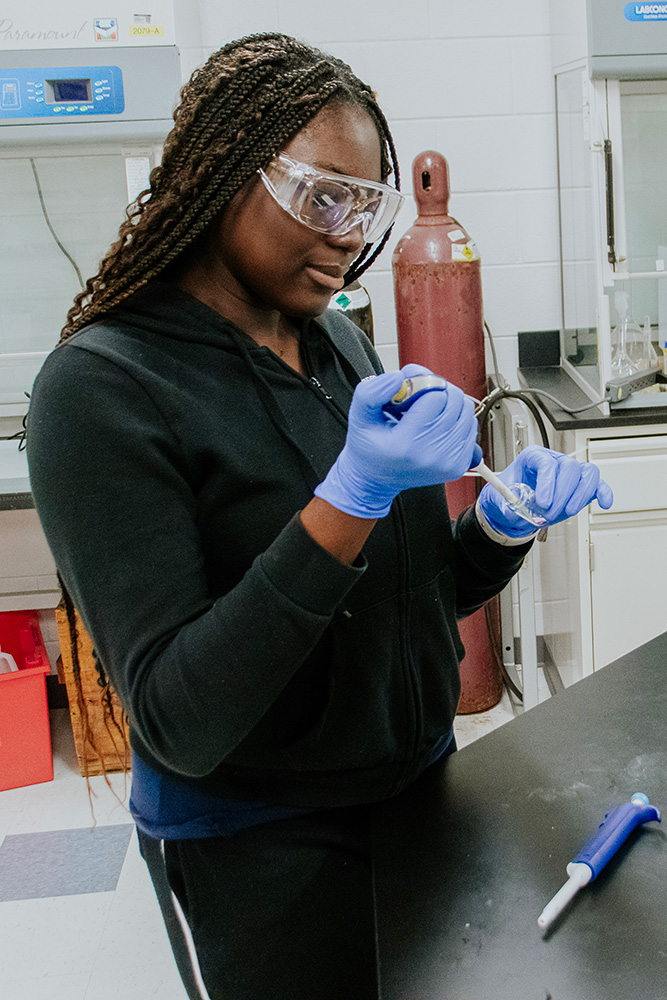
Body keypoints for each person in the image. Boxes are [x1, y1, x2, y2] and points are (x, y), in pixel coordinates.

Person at [26, 33, 613, 1000]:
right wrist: (347, 499)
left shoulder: (332, 336)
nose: (347, 233)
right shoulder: (101, 390)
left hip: (419, 788)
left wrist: (498, 529)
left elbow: (402, 595)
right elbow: (180, 716)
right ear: (218, 175)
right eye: (320, 195)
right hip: (267, 842)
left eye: (367, 203)